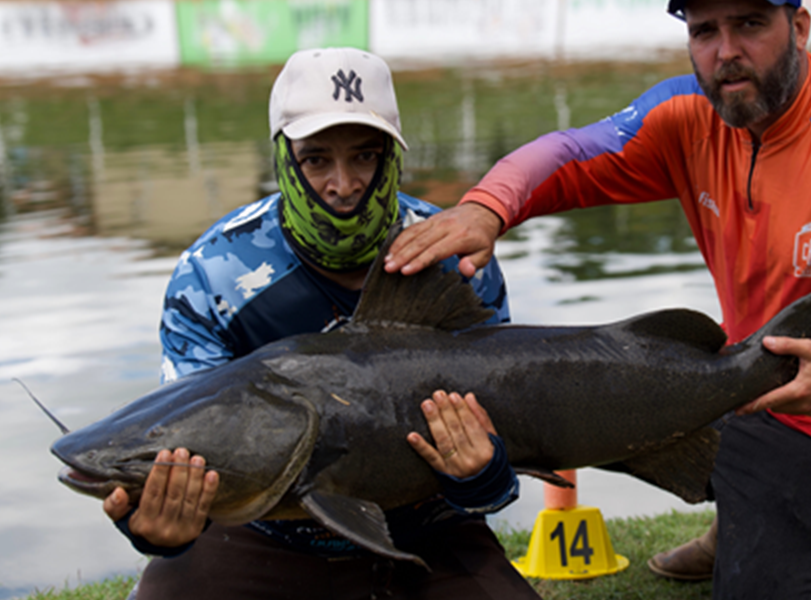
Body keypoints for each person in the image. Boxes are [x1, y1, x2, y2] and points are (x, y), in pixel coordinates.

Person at [383, 1, 811, 598]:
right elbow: (571, 152)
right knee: (564, 392)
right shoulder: (689, 116)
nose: (725, 50)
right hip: (741, 383)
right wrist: (488, 207)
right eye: (704, 31)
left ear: (799, 28)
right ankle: (749, 513)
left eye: (750, 23)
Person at [102, 48, 540, 600]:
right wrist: (159, 532)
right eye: (315, 160)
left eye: (364, 156)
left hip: (429, 525)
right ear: (285, 157)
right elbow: (190, 442)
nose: (343, 184)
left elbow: (501, 477)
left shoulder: (454, 251)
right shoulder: (210, 273)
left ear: (391, 154)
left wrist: (485, 477)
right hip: (266, 534)